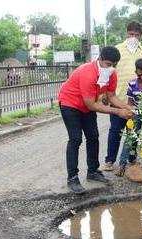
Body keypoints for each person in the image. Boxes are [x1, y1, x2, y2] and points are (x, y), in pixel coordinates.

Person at [58, 46, 134, 193]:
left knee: (93, 136)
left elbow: (111, 96)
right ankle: (72, 178)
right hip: (70, 103)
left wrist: (127, 107)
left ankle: (92, 171)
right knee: (75, 139)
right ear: (99, 59)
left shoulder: (111, 74)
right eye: (108, 64)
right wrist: (119, 112)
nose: (111, 68)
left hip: (87, 106)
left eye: (114, 65)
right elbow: (92, 105)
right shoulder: (87, 72)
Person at [100, 21, 142, 171]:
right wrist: (104, 94)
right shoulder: (117, 50)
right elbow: (106, 73)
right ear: (126, 33)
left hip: (138, 100)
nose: (133, 37)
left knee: (133, 131)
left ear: (141, 36)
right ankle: (110, 161)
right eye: (130, 34)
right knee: (115, 131)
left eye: (136, 35)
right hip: (117, 97)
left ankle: (131, 159)